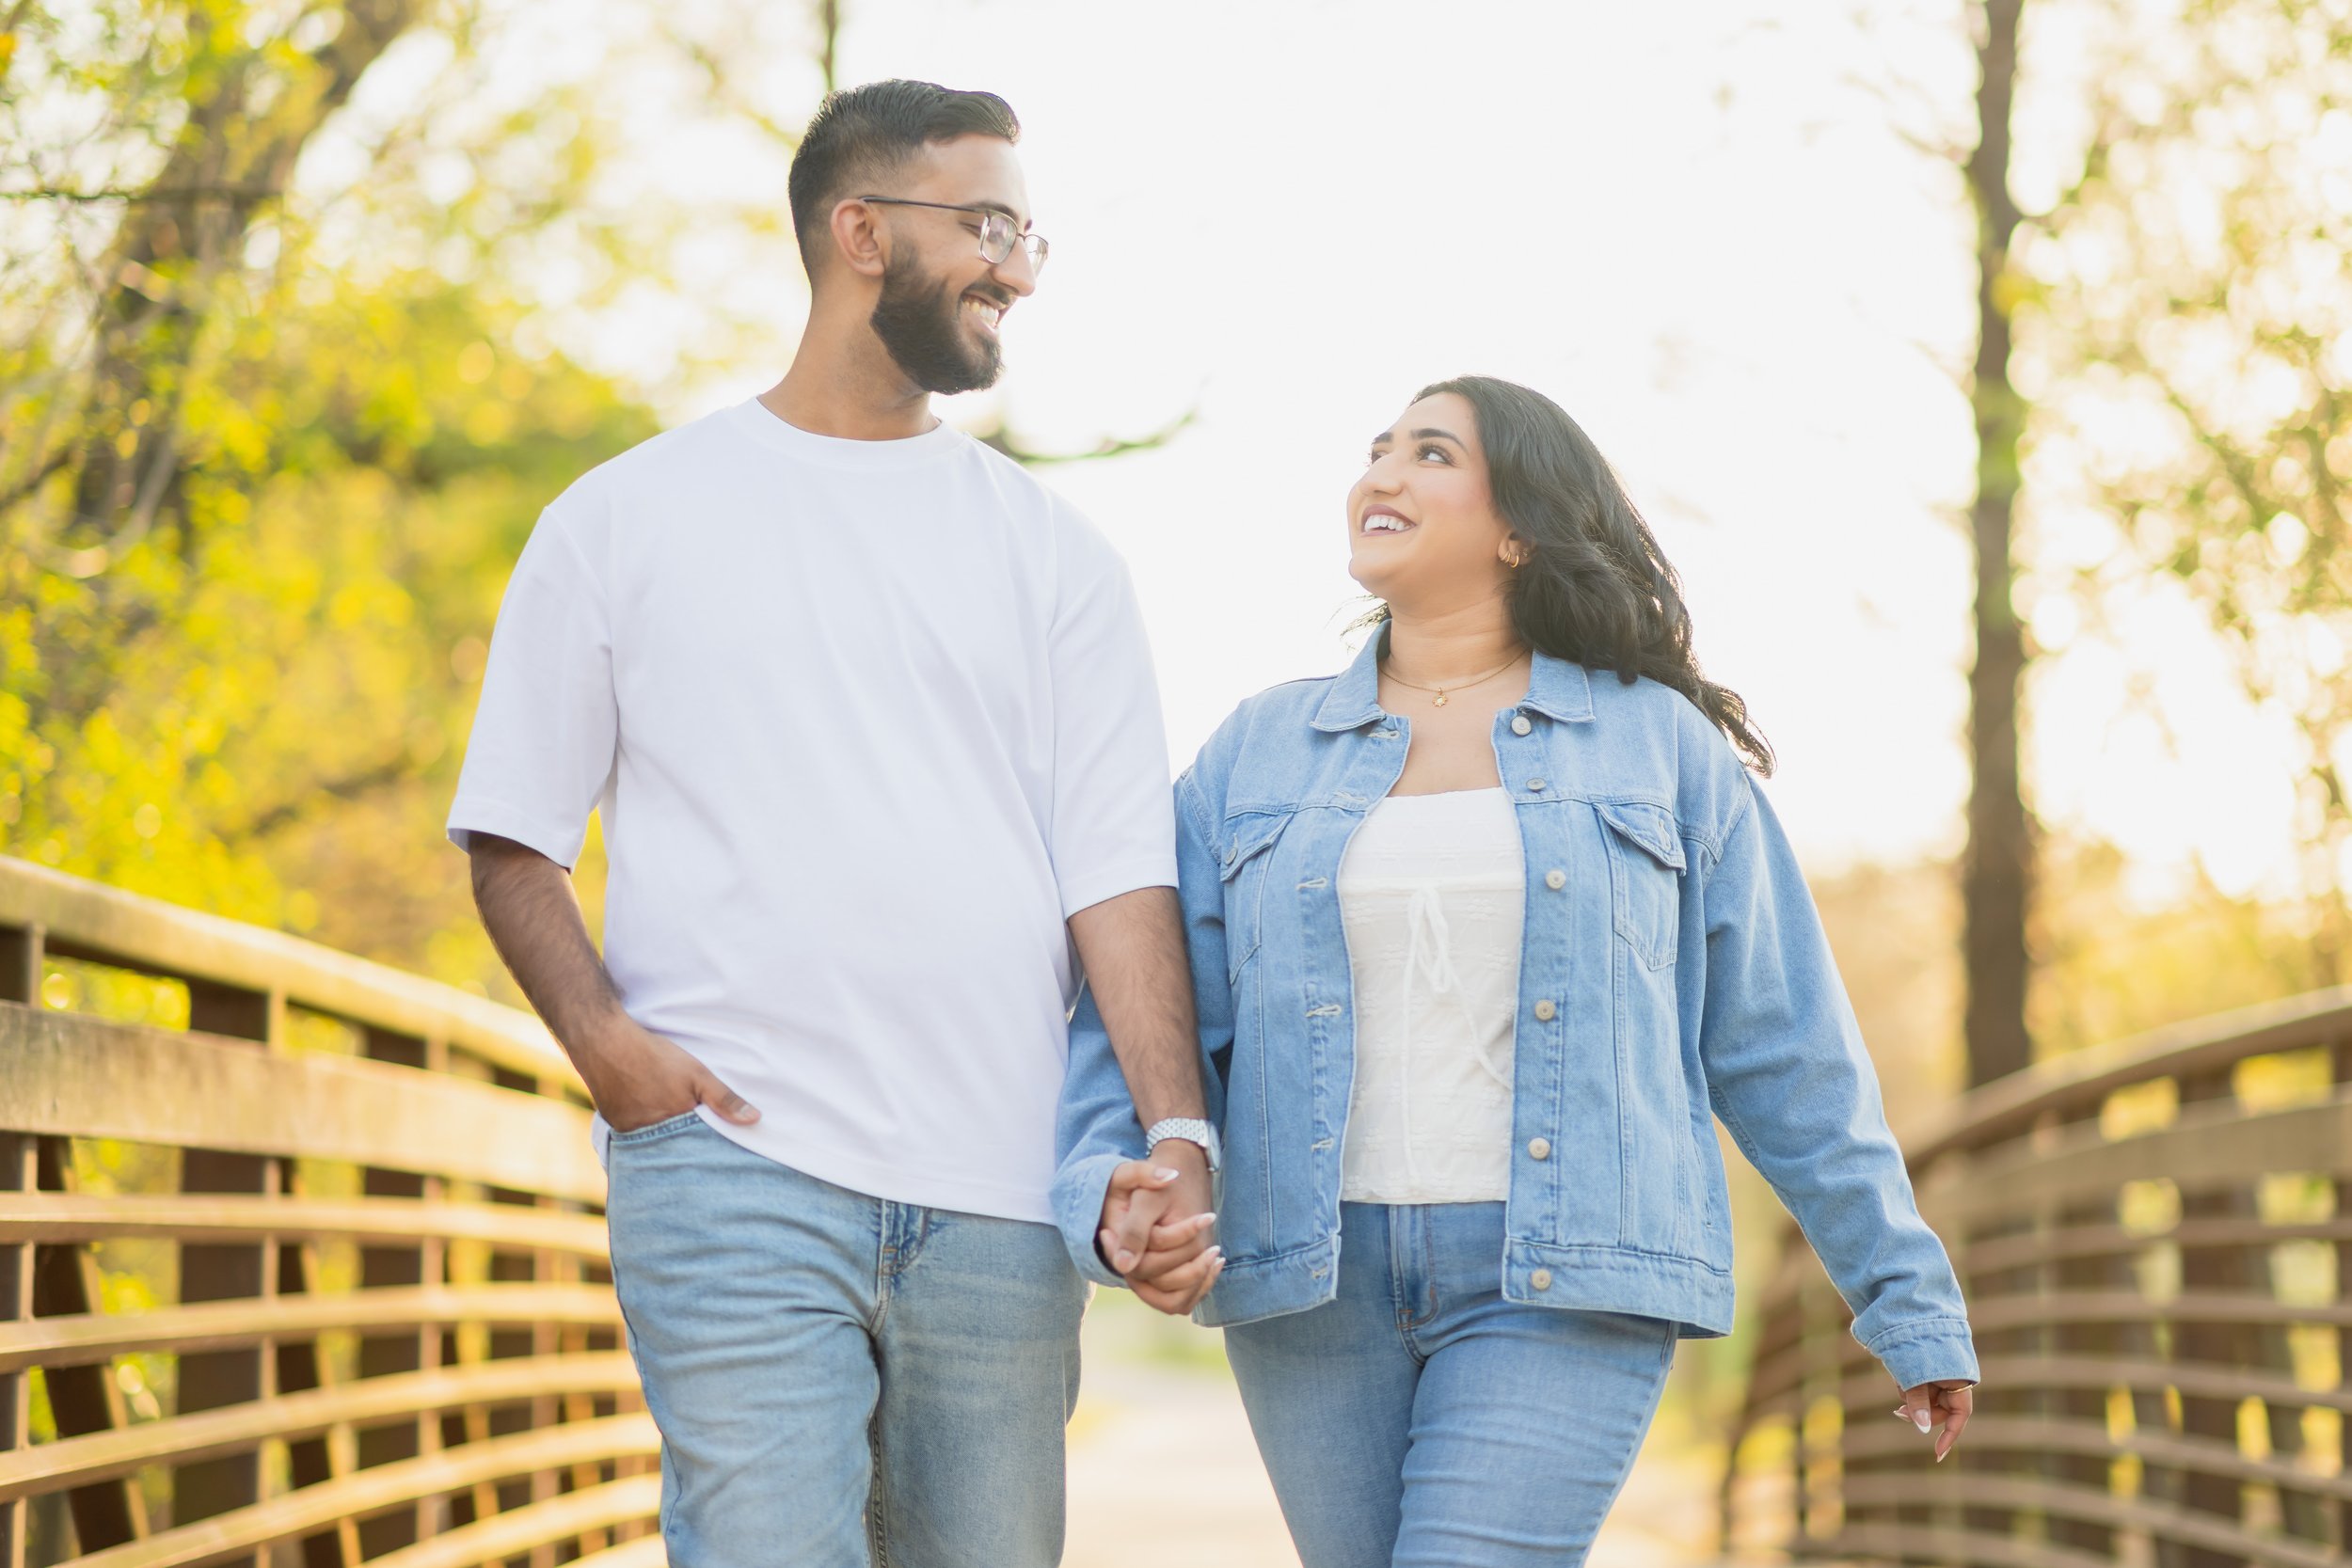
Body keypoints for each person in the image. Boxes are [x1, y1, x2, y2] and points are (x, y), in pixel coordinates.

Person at [449, 79, 1219, 1568]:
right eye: (987, 224)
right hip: (732, 1172)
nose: (1020, 266)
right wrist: (612, 1056)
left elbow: (1119, 874)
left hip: (1000, 1193)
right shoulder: (624, 517)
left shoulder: (1056, 555)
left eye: (1029, 229)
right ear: (858, 230)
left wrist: (1175, 1127)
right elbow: (510, 834)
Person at [1056, 375, 1979, 1566]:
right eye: (1375, 448)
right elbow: (1146, 1006)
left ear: (1517, 526)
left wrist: (1905, 1300)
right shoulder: (1255, 749)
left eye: (1429, 452)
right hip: (1310, 1283)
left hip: (1562, 1273)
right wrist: (1106, 1186)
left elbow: (1785, 1045)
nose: (1380, 472)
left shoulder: (1659, 746)